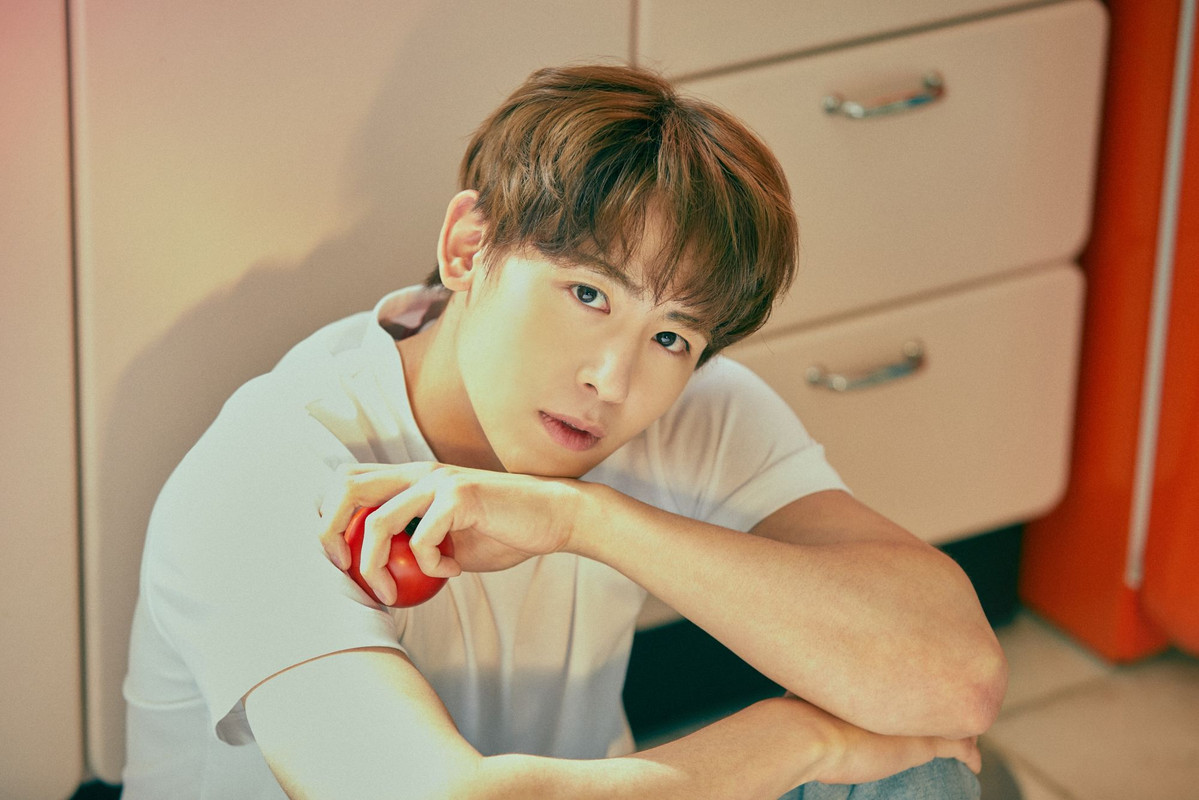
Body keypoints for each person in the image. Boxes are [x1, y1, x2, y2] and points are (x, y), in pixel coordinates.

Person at [122, 63, 1006, 799]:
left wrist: (583, 518)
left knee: (919, 763)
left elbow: (958, 679)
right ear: (468, 247)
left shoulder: (693, 406)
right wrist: (805, 741)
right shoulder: (266, 473)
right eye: (588, 294)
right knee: (861, 746)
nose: (611, 381)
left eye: (671, 336)